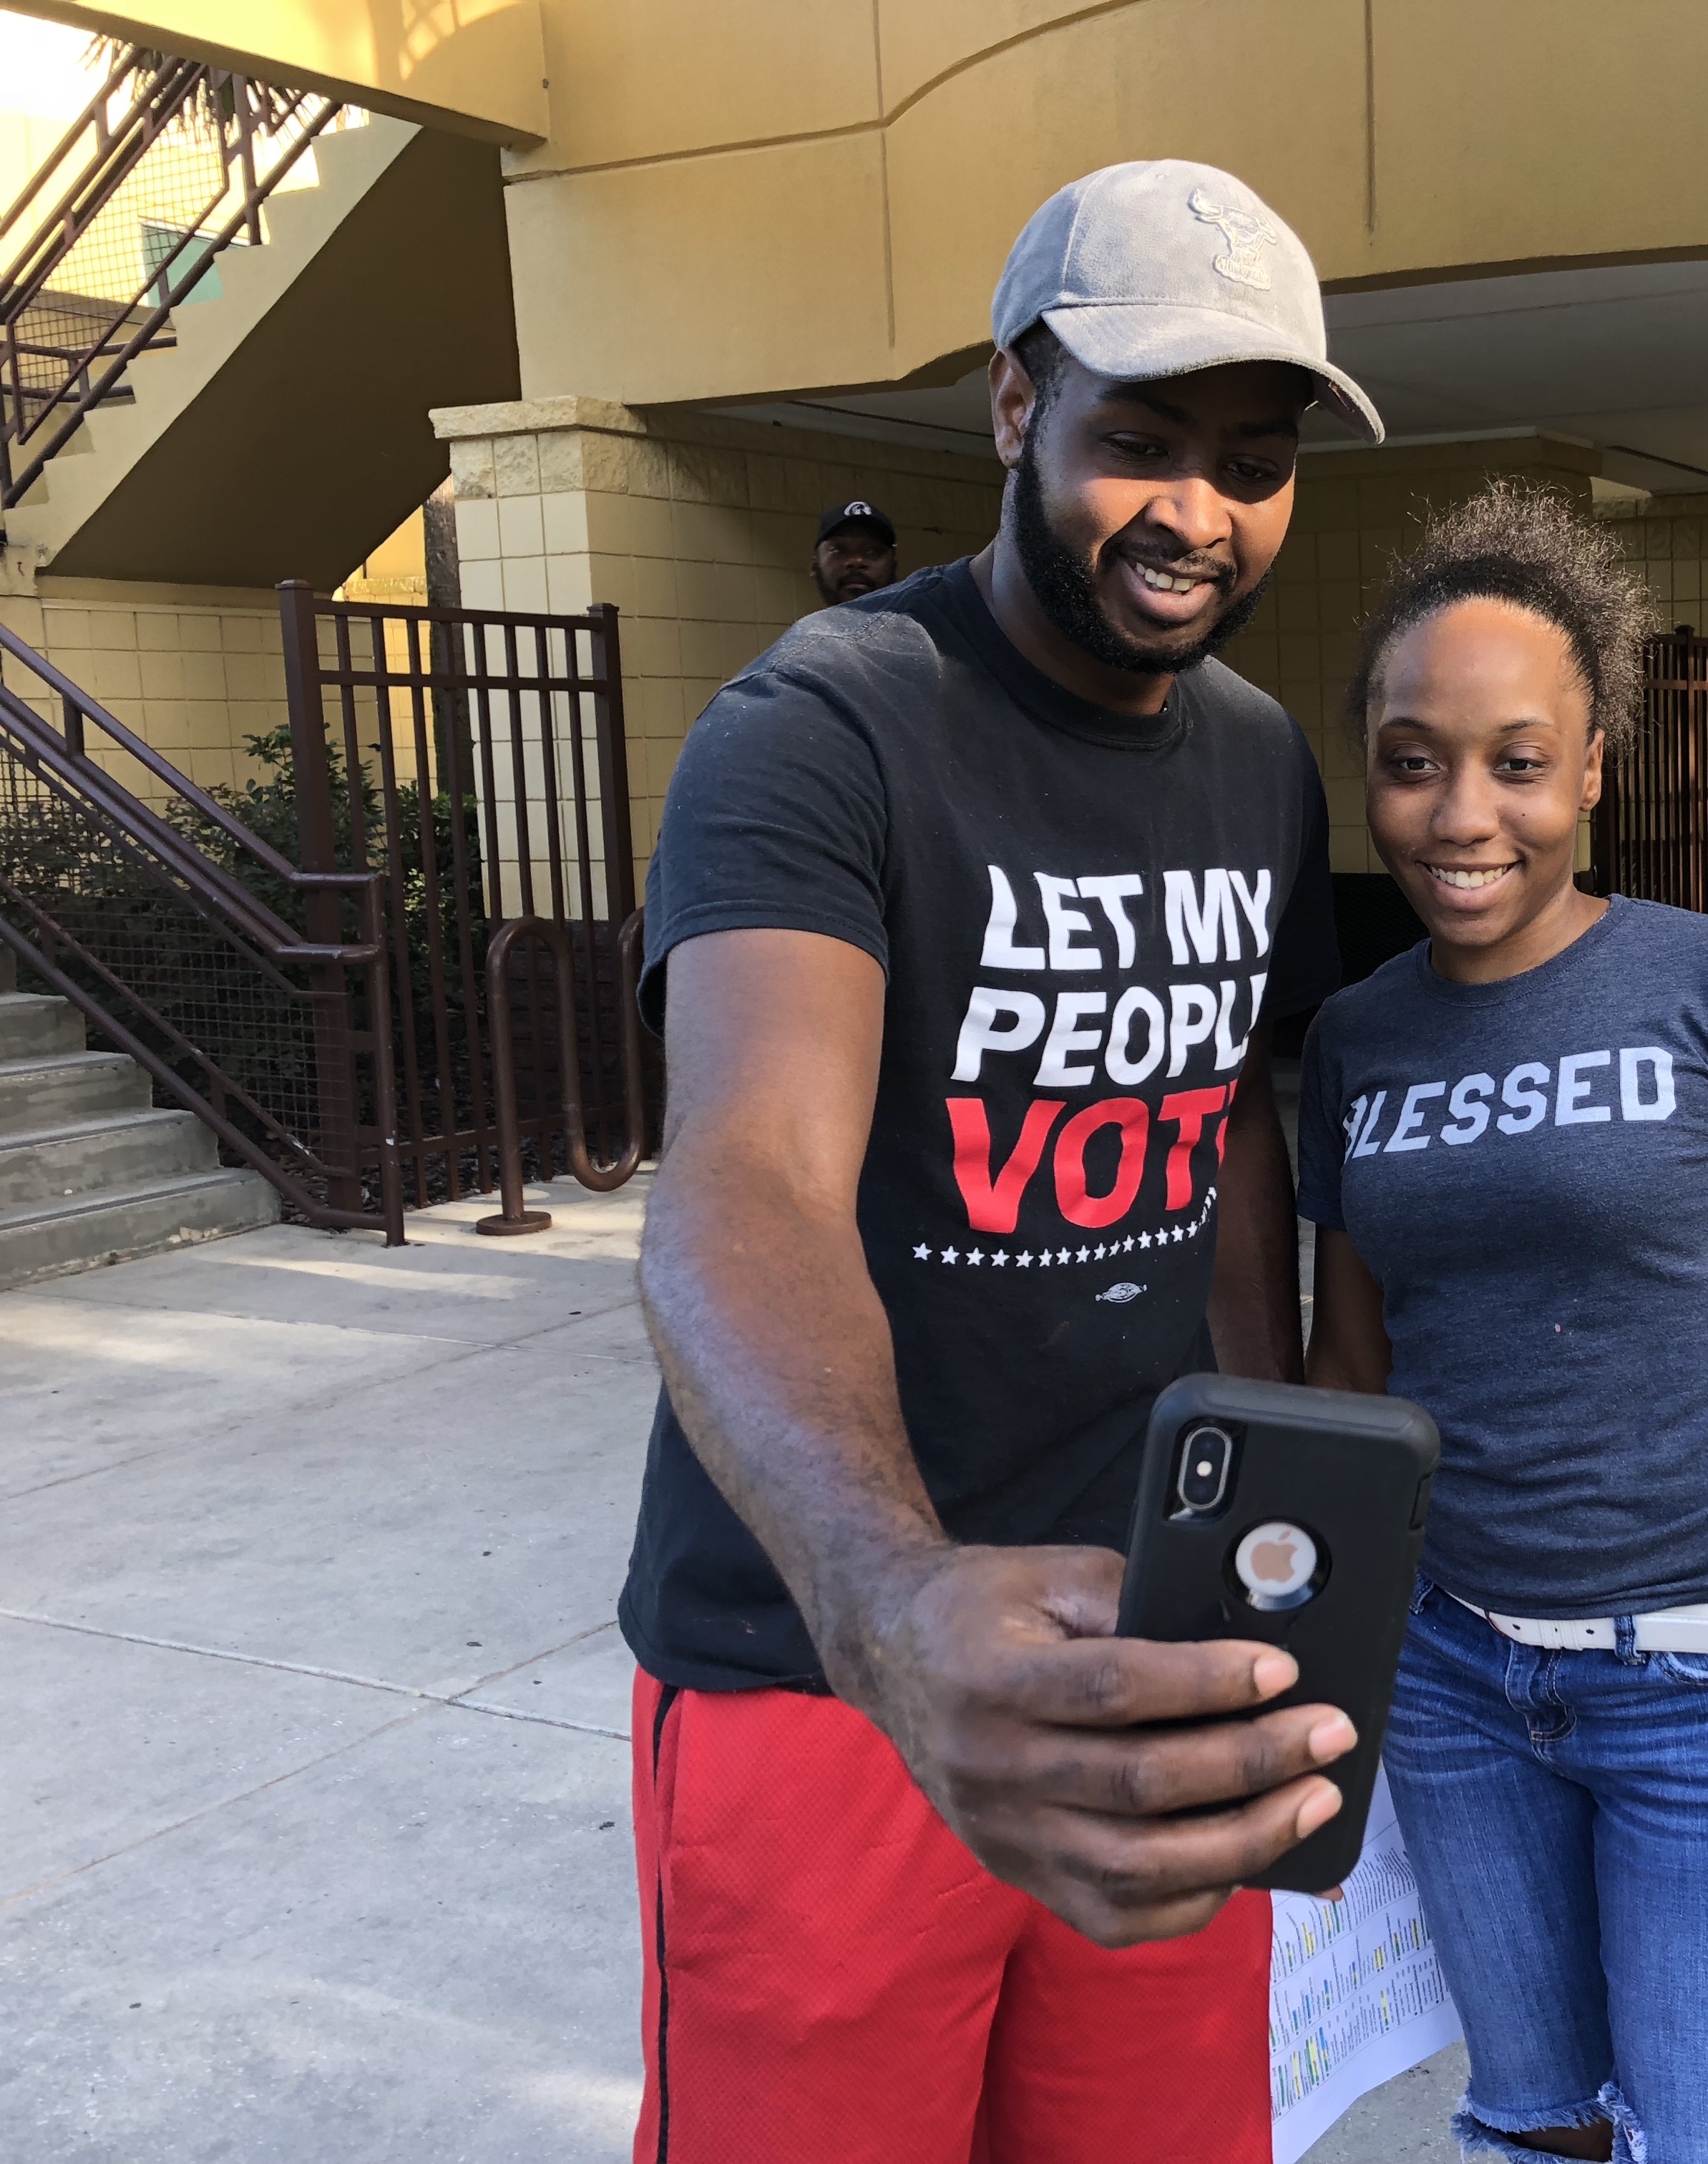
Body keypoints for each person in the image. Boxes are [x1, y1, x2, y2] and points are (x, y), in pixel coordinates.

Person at [623, 160, 1385, 2164]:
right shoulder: (821, 731)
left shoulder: (1257, 755)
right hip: (827, 1671)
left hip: (1156, 1636)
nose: (1198, 516)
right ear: (1013, 405)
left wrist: (1286, 1483)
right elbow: (747, 1180)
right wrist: (892, 1603)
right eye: (1141, 440)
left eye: (1252, 459)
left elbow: (1225, 1115)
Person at [1301, 482, 1708, 2164]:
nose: (1460, 811)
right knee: (1533, 2127)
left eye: (1514, 759)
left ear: (1590, 768)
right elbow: (1352, 1379)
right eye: (1414, 759)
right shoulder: (1356, 1039)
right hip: (1456, 1682)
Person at [811, 499, 900, 604]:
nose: (857, 561)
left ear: (894, 566)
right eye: (838, 550)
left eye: (873, 552)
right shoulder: (804, 621)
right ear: (815, 566)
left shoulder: (920, 620)